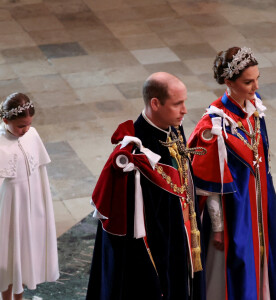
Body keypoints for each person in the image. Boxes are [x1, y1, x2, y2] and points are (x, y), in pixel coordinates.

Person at [86, 72, 206, 300]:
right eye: (178, 103)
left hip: (181, 239)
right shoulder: (133, 153)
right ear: (155, 103)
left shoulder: (172, 127)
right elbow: (128, 231)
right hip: (154, 258)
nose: (185, 110)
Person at [188, 47, 276, 300]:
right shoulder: (214, 126)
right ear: (229, 82)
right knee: (235, 268)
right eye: (248, 82)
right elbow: (209, 186)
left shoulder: (254, 111)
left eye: (257, 79)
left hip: (258, 204)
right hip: (234, 214)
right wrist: (218, 228)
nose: (255, 87)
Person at [0, 93, 59, 300]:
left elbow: (39, 172)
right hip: (10, 208)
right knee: (9, 253)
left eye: (29, 124)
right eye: (21, 126)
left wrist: (42, 205)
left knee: (24, 253)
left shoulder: (32, 135)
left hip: (32, 207)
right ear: (6, 120)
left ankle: (20, 296)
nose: (26, 130)